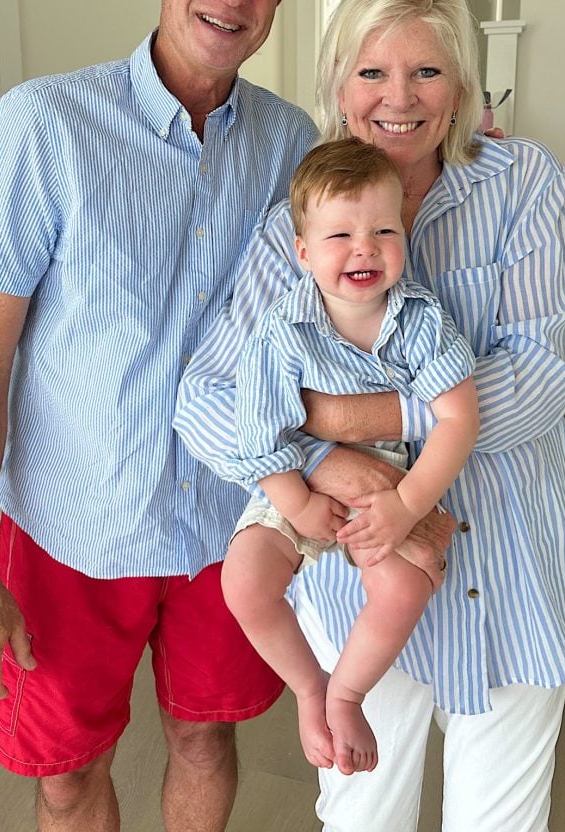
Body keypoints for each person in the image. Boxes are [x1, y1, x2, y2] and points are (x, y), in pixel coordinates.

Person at [0, 0, 319, 832]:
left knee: (205, 735)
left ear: (275, 0)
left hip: (222, 524)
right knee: (64, 770)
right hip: (70, 529)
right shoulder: (45, 125)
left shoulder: (288, 142)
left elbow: (310, 338)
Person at [173, 0, 565, 831]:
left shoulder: (526, 184)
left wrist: (338, 417)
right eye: (371, 72)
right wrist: (333, 465)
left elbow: (545, 373)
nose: (398, 97)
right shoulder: (293, 219)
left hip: (504, 568)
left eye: (426, 71)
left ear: (463, 86)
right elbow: (204, 395)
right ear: (337, 84)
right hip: (353, 577)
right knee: (363, 817)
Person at [198, 137, 479, 777]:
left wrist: (407, 505)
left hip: (390, 481)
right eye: (339, 235)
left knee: (403, 584)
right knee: (243, 579)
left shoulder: (421, 321)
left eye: (384, 228)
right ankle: (309, 688)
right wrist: (295, 501)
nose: (365, 247)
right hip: (293, 475)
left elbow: (459, 419)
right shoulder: (283, 327)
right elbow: (258, 430)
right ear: (301, 253)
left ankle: (346, 695)